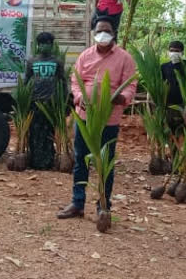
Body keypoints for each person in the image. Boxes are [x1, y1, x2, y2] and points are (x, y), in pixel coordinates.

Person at [57, 16, 137, 219]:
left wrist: (122, 97)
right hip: (85, 118)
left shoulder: (125, 58)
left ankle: (103, 205)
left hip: (109, 120)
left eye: (107, 31)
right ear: (93, 33)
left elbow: (130, 85)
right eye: (100, 30)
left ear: (114, 33)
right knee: (81, 160)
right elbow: (75, 80)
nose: (103, 34)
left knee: (105, 162)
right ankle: (77, 203)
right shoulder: (85, 56)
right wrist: (80, 96)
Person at [25, 32, 67, 170]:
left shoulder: (57, 62)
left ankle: (48, 161)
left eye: (47, 43)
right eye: (42, 43)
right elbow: (26, 82)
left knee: (48, 132)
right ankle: (35, 161)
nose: (44, 46)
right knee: (35, 132)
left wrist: (65, 101)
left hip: (51, 103)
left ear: (51, 45)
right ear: (38, 45)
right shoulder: (32, 61)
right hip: (35, 102)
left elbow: (63, 82)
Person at [161, 40, 186, 135]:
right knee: (171, 131)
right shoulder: (164, 67)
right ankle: (173, 149)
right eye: (172, 50)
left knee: (185, 131)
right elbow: (161, 84)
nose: (174, 53)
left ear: (182, 52)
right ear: (168, 52)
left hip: (185, 105)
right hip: (169, 104)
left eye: (177, 51)